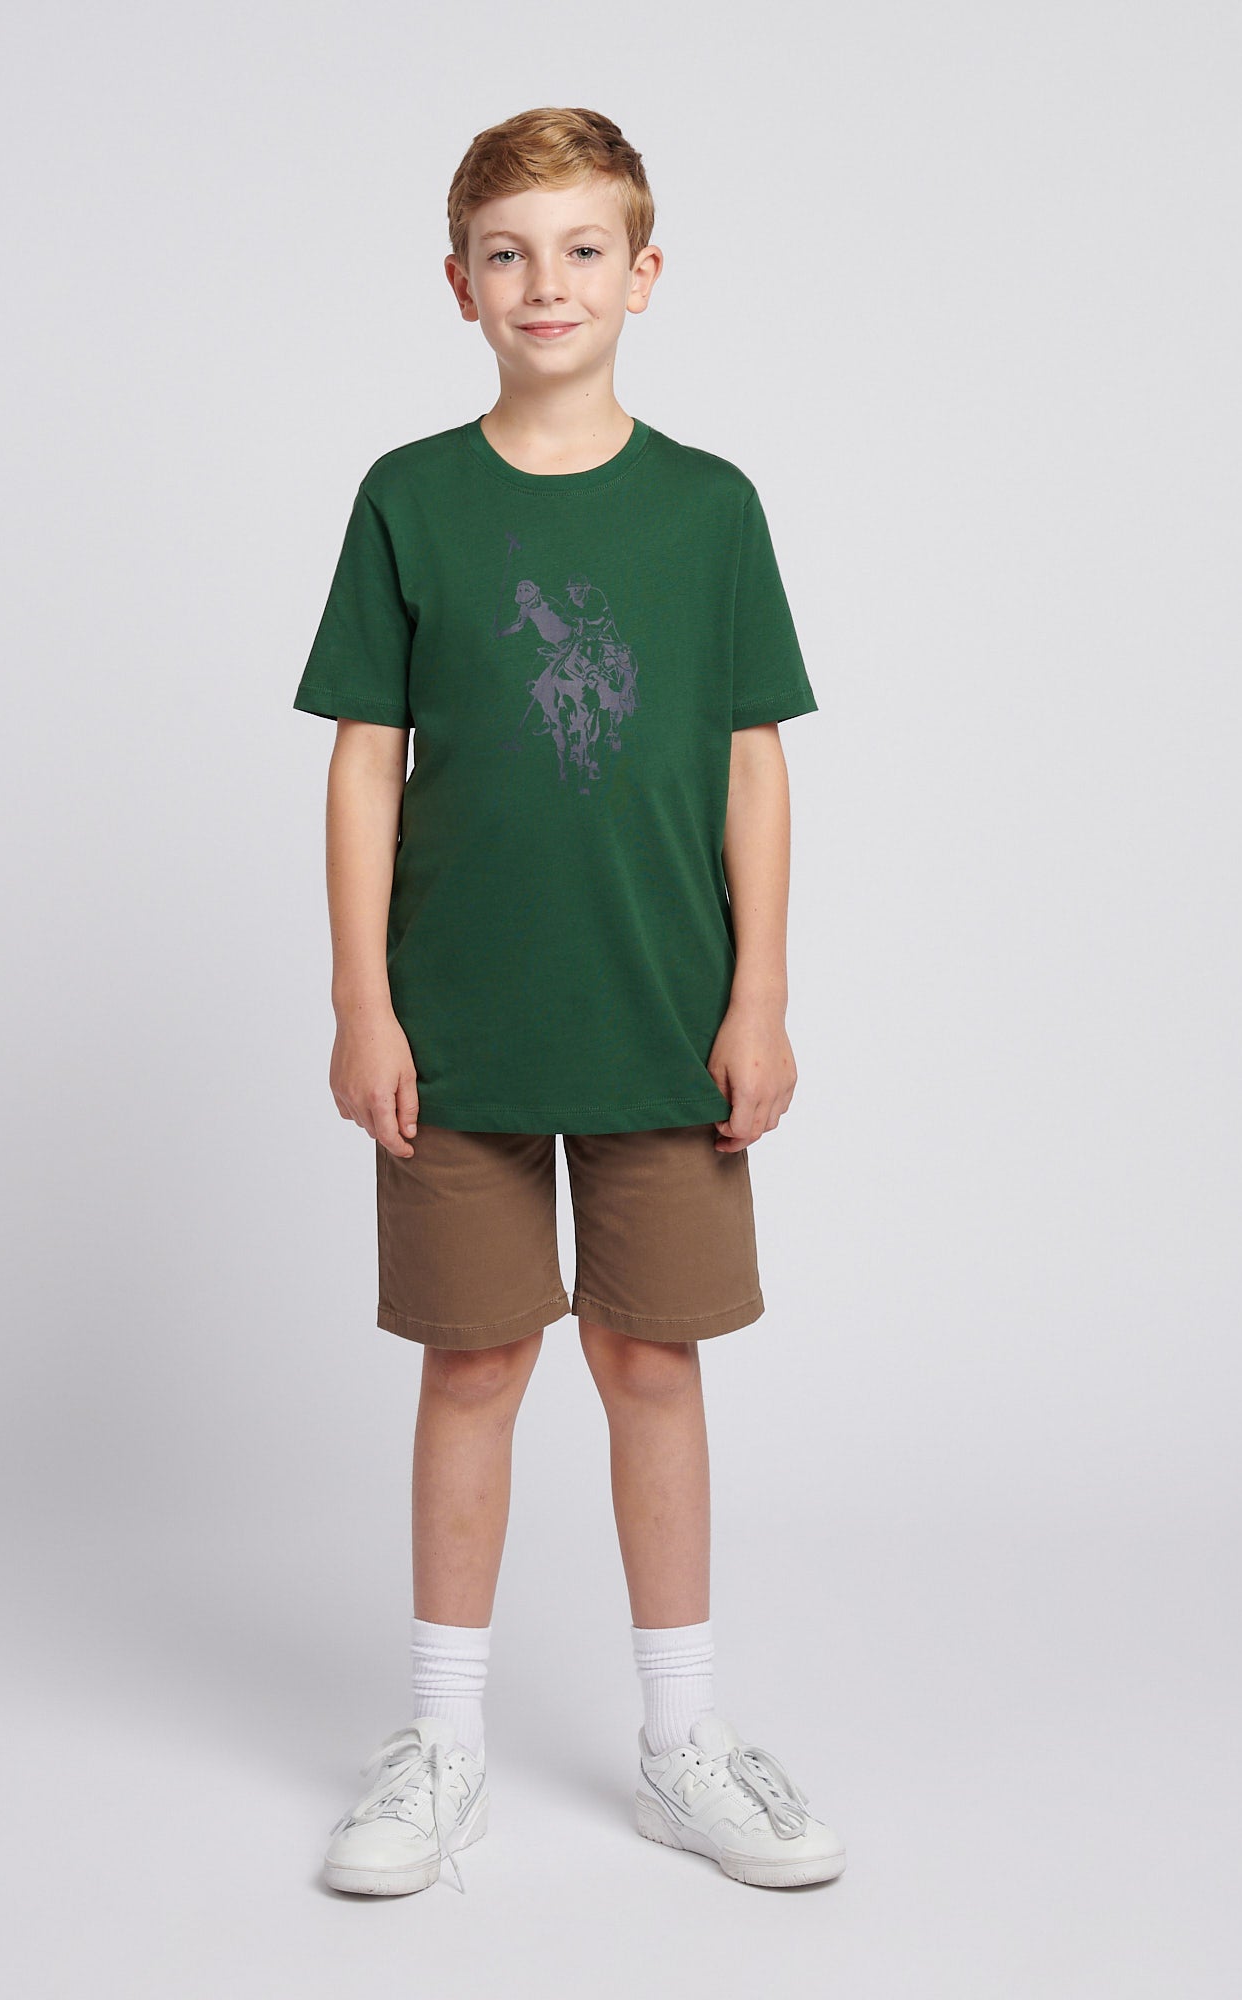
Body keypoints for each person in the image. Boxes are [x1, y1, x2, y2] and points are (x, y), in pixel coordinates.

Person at [292, 104, 845, 1896]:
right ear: (458, 283)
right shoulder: (409, 499)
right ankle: (441, 1742)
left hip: (663, 1012)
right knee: (472, 1361)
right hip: (454, 1023)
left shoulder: (709, 508)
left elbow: (754, 762)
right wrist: (363, 1000)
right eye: (510, 255)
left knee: (650, 1358)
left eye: (583, 249)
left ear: (644, 273)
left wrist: (761, 995)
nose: (548, 284)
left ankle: (683, 1741)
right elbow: (364, 761)